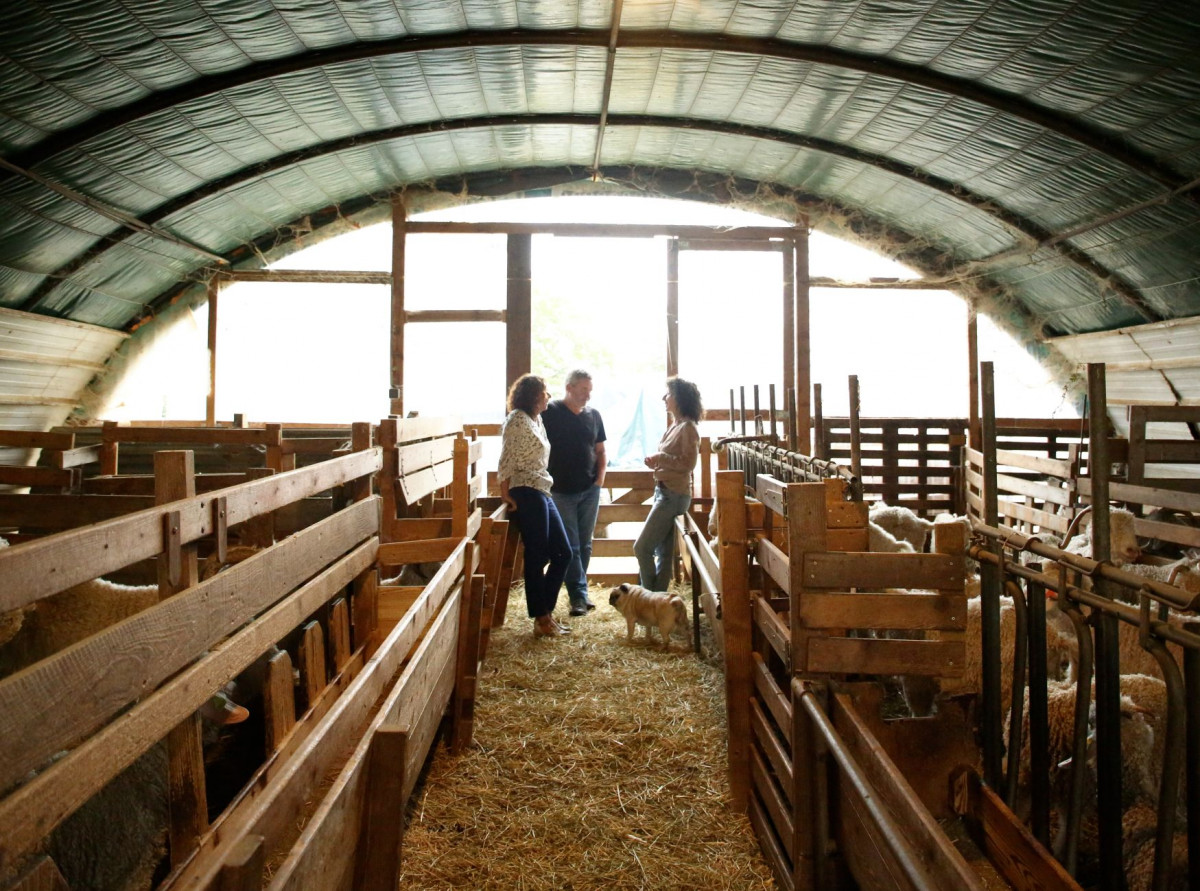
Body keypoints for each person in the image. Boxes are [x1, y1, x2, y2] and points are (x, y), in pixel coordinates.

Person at [498, 373, 573, 638]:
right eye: (544, 393)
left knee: (563, 553)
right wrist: (505, 492)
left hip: (542, 488)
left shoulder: (536, 419)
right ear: (532, 396)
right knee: (537, 554)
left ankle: (545, 614)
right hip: (526, 490)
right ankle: (542, 619)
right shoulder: (517, 420)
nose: (548, 397)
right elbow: (507, 457)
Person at [542, 369, 608, 617]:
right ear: (569, 387)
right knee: (572, 545)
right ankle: (579, 597)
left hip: (589, 489)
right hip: (560, 490)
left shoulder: (594, 415)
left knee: (586, 543)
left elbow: (601, 450)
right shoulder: (551, 412)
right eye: (583, 390)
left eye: (590, 390)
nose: (588, 396)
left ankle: (578, 593)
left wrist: (600, 481)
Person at [634, 377, 703, 591]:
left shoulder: (688, 428)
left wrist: (661, 458)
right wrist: (657, 464)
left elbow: (688, 463)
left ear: (680, 399)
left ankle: (647, 597)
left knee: (642, 548)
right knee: (664, 552)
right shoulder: (676, 426)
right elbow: (673, 461)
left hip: (674, 495)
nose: (664, 398)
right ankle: (659, 602)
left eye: (669, 394)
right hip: (664, 490)